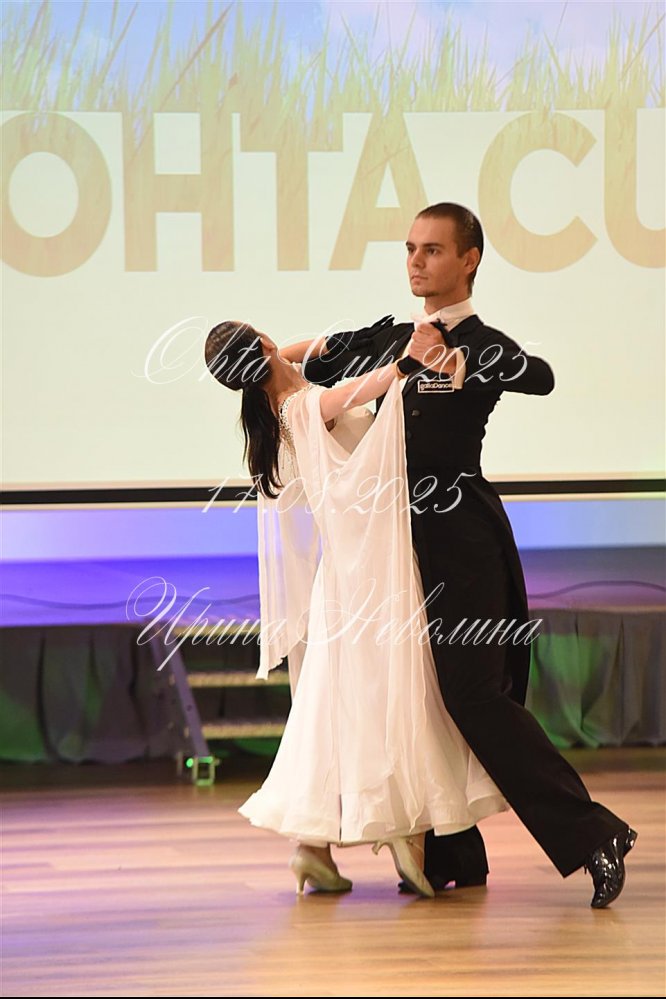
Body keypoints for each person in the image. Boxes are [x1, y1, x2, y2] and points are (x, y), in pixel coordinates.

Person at [301, 202, 637, 908]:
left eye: (432, 249)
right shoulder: (392, 336)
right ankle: (456, 854)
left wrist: (463, 359)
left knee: (475, 694)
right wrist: (259, 353)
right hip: (395, 547)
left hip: (463, 542)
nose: (416, 261)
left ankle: (594, 835)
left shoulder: (482, 343)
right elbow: (315, 352)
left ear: (468, 259)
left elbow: (538, 374)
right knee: (420, 693)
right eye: (410, 249)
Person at [204, 319, 508, 897]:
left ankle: (313, 848)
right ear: (261, 344)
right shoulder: (303, 406)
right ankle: (402, 826)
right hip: (372, 566)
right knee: (391, 691)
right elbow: (363, 389)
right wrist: (407, 362)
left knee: (335, 701)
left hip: (343, 576)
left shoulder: (273, 403)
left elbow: (301, 352)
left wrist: (291, 350)